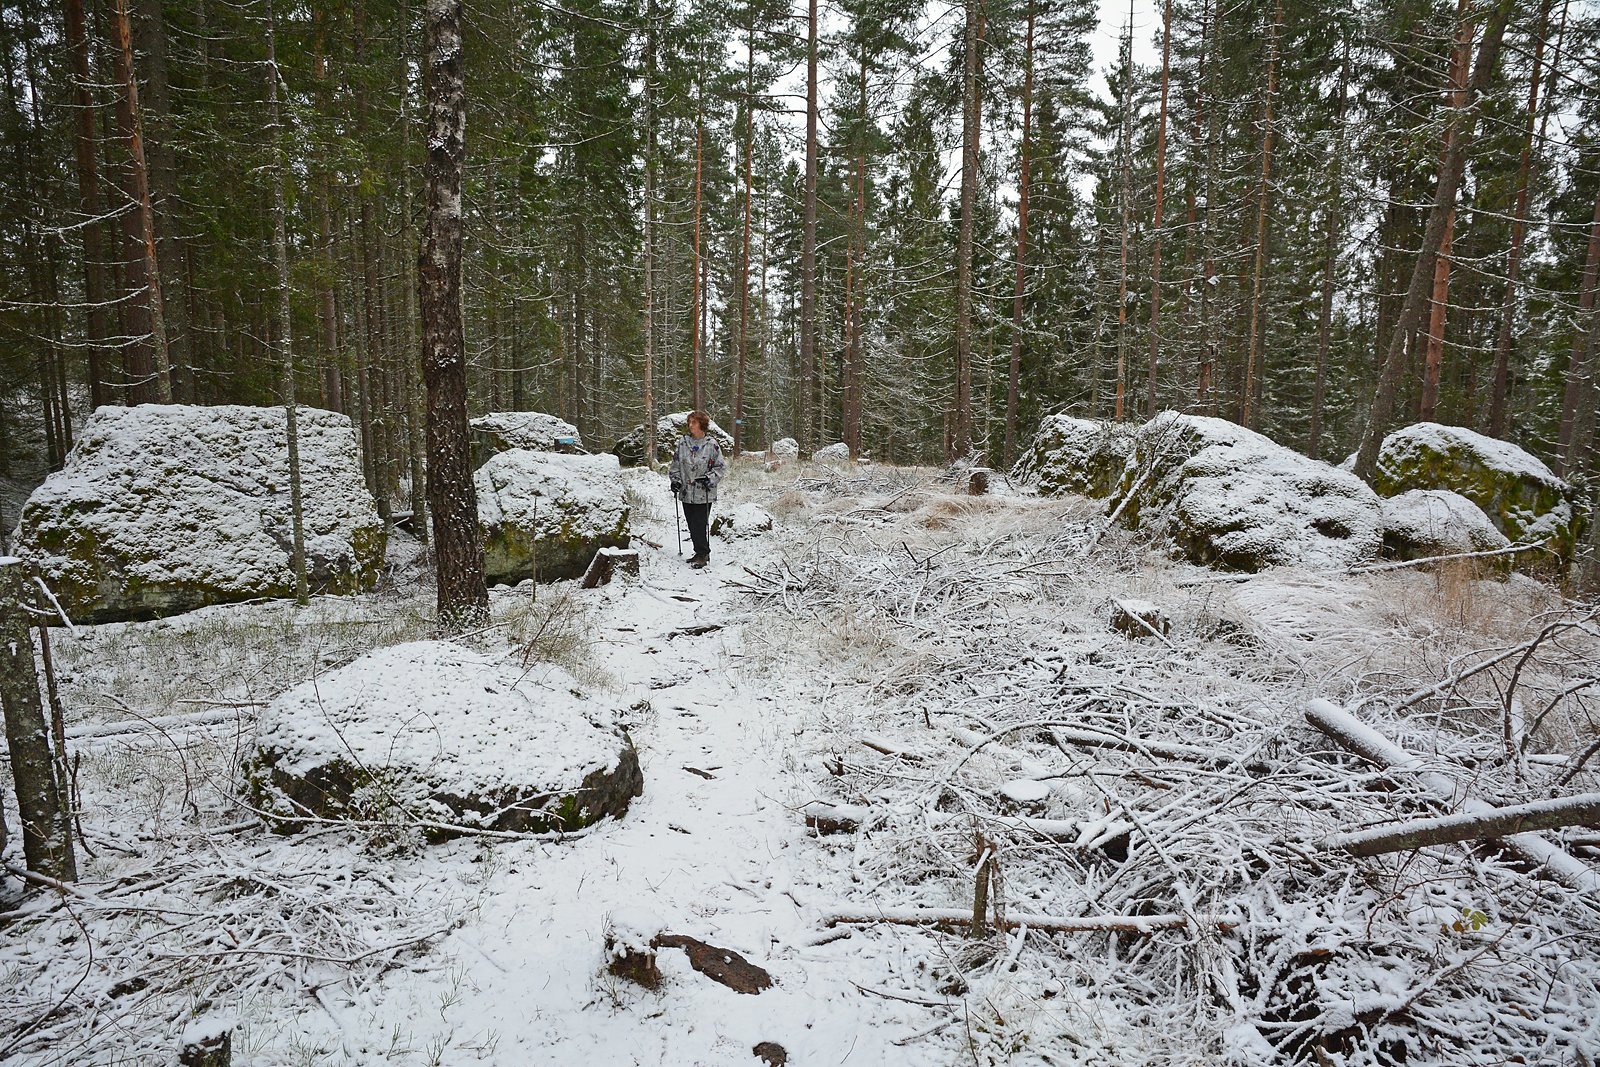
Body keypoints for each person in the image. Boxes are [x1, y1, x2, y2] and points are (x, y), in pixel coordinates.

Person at [669, 411, 727, 569]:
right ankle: (699, 552)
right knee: (691, 523)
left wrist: (709, 478)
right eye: (689, 422)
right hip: (686, 491)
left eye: (694, 422)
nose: (690, 425)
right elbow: (675, 465)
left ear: (702, 424)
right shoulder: (682, 443)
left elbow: (720, 466)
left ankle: (703, 553)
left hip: (704, 492)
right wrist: (675, 481)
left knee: (699, 524)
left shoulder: (711, 444)